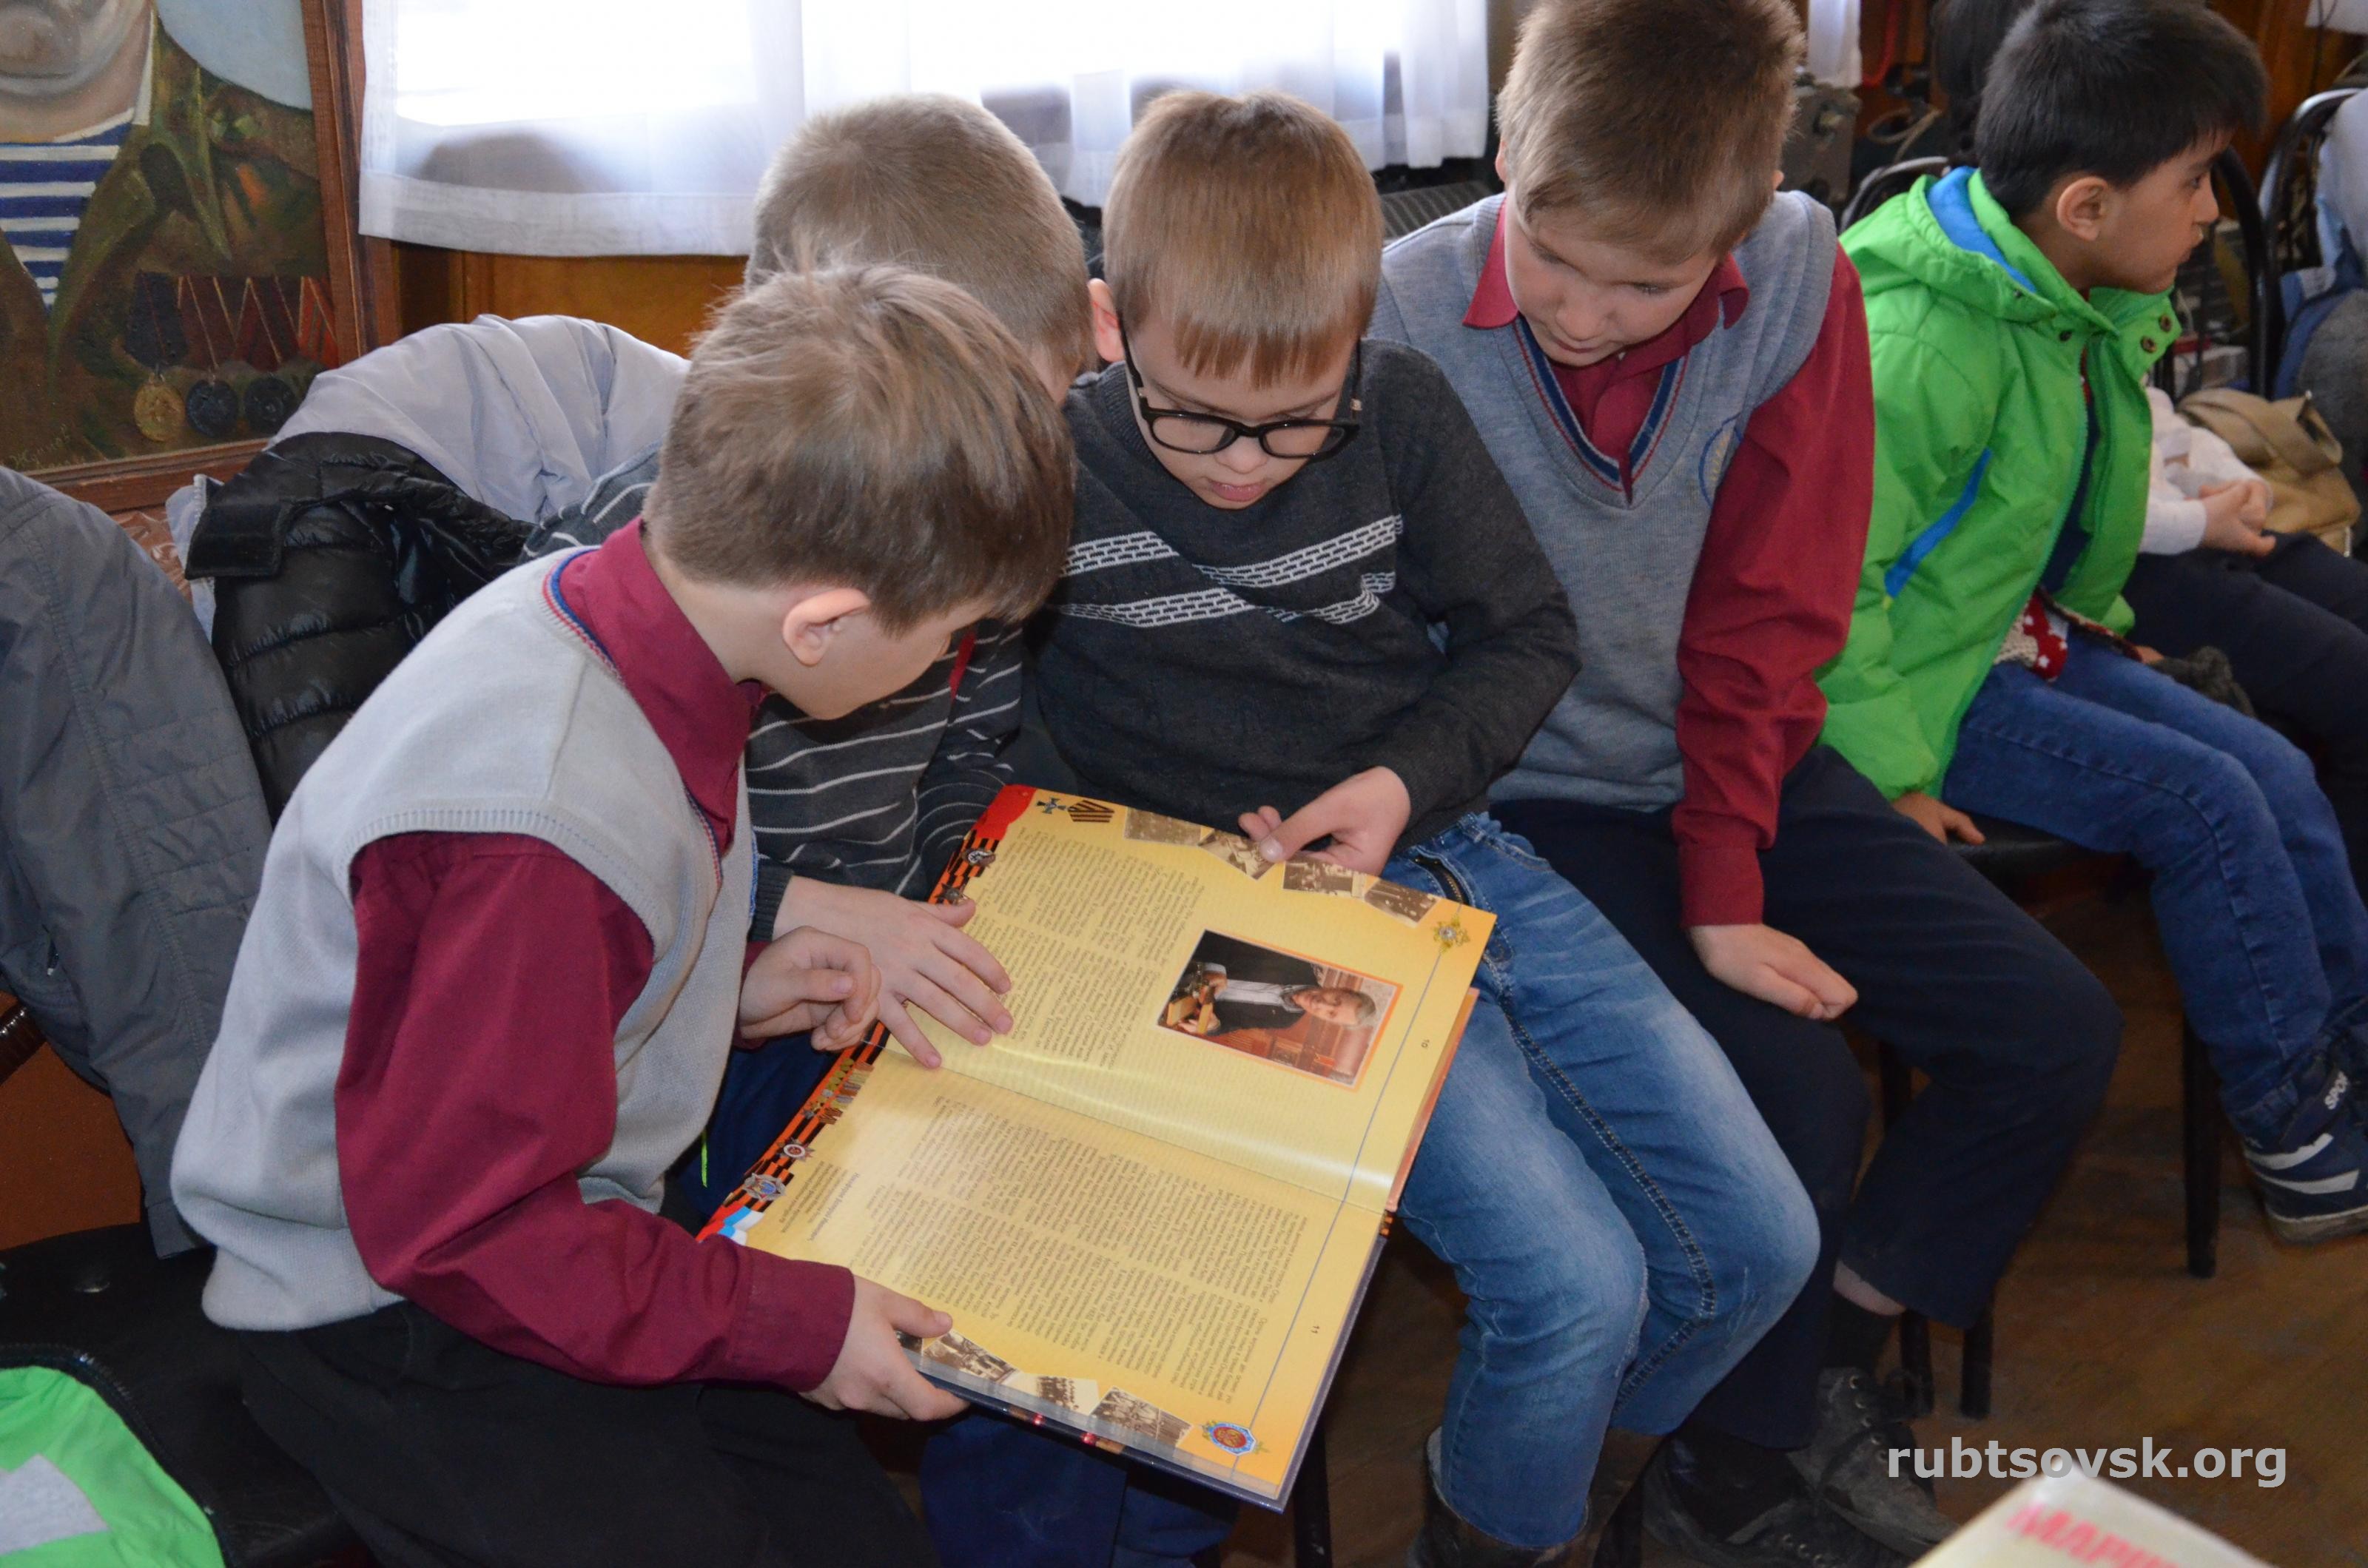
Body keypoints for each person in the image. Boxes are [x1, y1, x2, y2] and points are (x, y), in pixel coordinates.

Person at [167, 267, 1075, 1567]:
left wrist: (730, 985)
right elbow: (467, 1229)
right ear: (823, 625)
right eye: (952, 636)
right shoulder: (540, 819)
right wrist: (793, 1325)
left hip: (557, 1235)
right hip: (391, 1312)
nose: (949, 665)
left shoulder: (632, 609)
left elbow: (548, 996)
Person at [1374, 3, 2122, 1562]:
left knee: (2051, 1030)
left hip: (1739, 752)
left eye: (1645, 286)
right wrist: (1711, 901)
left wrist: (1725, 877)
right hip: (1525, 795)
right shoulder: (1401, 315)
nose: (1586, 314)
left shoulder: (1797, 272)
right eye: (1554, 259)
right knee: (1798, 1094)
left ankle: (1801, 1380)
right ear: (1506, 152)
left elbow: (1767, 613)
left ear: (1738, 219)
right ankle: (1738, 1466)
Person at [1034, 88, 1820, 1568]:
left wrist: (1401, 783)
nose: (1244, 462)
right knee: (1572, 1290)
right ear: (1109, 324)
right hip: (1244, 938)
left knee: (1759, 1247)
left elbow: (1526, 634)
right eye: (1195, 414)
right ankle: (1512, 1521)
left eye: (1295, 418)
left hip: (1464, 853)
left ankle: (1512, 1492)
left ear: (1358, 335)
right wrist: (1167, 879)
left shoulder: (1395, 411)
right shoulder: (1050, 475)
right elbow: (994, 747)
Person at [1827, 0, 2368, 1248]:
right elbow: (1831, 590)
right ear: (2084, 206)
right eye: (2193, 184)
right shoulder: (1922, 345)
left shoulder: (2067, 289)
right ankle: (2297, 1129)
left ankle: (2346, 1062)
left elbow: (2059, 514)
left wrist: (2108, 627)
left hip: (2011, 642)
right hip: (1920, 692)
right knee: (2207, 803)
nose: (2211, 213)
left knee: (2275, 769)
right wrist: (1890, 775)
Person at [522, 98, 1094, 1231]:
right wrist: (794, 911)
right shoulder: (626, 578)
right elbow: (594, 886)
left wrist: (952, 897)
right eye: (989, 426)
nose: (1017, 473)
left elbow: (970, 750)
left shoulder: (961, 535)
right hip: (712, 1002)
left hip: (882, 960)